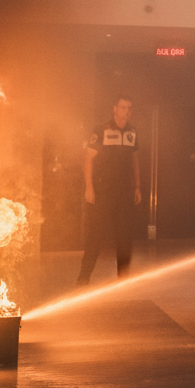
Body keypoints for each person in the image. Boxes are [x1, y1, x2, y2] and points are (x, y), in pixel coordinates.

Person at [76, 95, 142, 285]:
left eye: (129, 108)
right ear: (115, 109)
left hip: (124, 191)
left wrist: (137, 186)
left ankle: (123, 277)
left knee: (124, 235)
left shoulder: (132, 131)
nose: (126, 111)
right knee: (95, 234)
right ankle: (83, 276)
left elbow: (134, 160)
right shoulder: (101, 130)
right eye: (123, 107)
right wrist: (89, 187)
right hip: (102, 190)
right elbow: (88, 158)